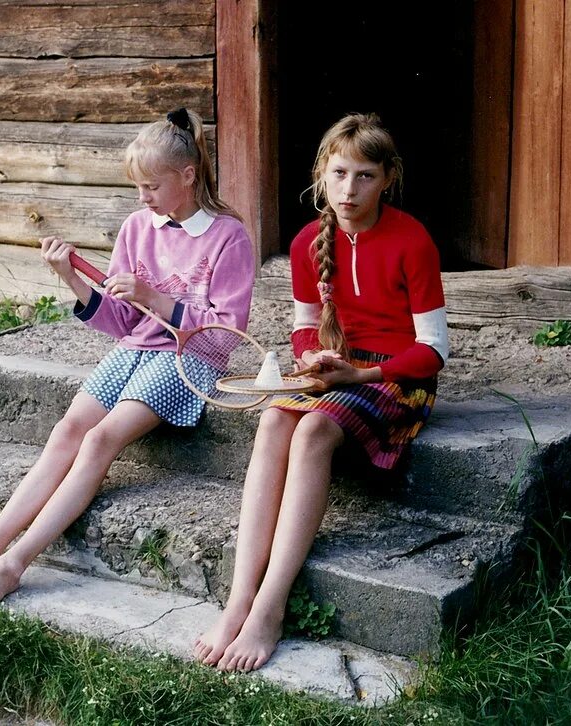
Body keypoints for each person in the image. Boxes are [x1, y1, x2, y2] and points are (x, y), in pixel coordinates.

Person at [0, 108, 255, 611]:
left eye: (151, 186)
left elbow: (223, 339)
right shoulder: (137, 228)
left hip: (186, 360)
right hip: (134, 351)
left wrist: (155, 298)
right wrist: (71, 278)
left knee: (99, 439)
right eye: (138, 187)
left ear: (188, 175)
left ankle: (14, 564)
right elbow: (123, 325)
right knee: (68, 430)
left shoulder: (228, 237)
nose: (142, 198)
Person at [194, 113, 449, 671]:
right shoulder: (311, 241)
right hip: (340, 371)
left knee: (311, 429)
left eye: (363, 176)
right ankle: (239, 597)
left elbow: (433, 350)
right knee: (272, 420)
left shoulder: (412, 239)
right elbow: (305, 326)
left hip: (395, 382)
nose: (349, 190)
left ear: (389, 178)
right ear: (321, 174)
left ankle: (270, 605)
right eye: (338, 174)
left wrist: (356, 376)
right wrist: (313, 355)